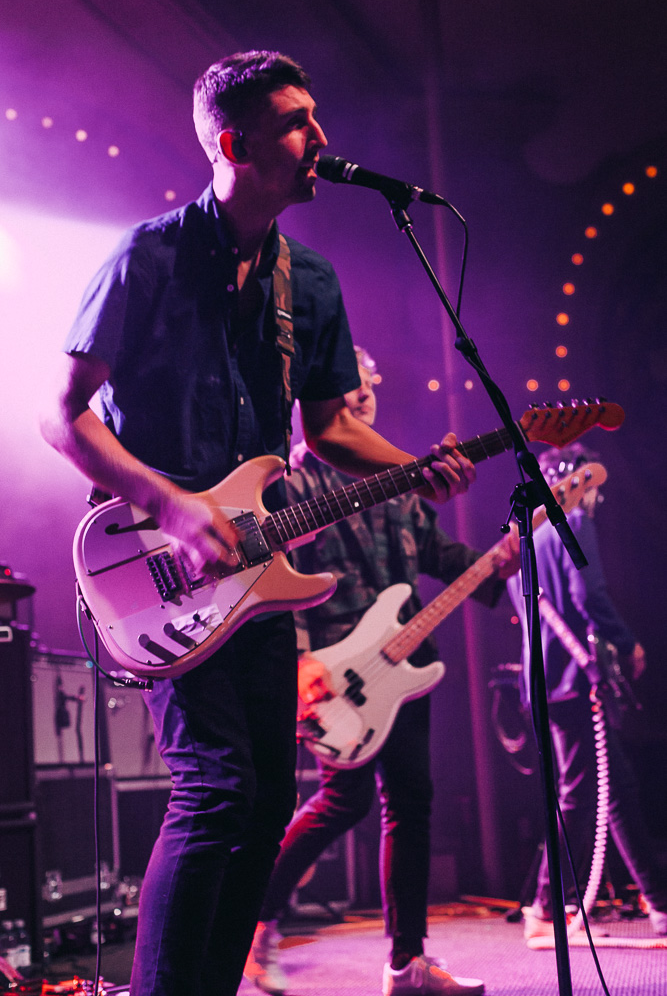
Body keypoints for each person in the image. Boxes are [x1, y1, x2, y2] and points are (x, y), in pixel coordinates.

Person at [39, 51, 477, 996]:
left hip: (261, 567)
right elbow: (60, 410)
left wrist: (416, 470)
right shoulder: (146, 257)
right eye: (296, 122)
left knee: (270, 793)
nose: (321, 139)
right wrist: (171, 504)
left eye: (316, 116)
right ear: (234, 144)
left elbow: (325, 428)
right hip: (153, 563)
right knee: (215, 791)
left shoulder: (308, 281)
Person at [244, 346, 518, 996]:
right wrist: (302, 659)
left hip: (404, 662)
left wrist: (497, 562)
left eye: (368, 384)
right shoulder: (296, 480)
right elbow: (274, 577)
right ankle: (256, 922)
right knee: (344, 800)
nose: (362, 394)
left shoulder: (400, 479)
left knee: (411, 805)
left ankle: (407, 964)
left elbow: (435, 552)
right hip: (334, 667)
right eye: (349, 386)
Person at [506, 443, 667, 942]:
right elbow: (588, 593)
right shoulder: (571, 520)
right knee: (582, 794)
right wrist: (627, 643)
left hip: (545, 678)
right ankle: (544, 908)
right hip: (575, 679)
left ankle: (659, 902)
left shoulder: (522, 536)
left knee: (614, 790)